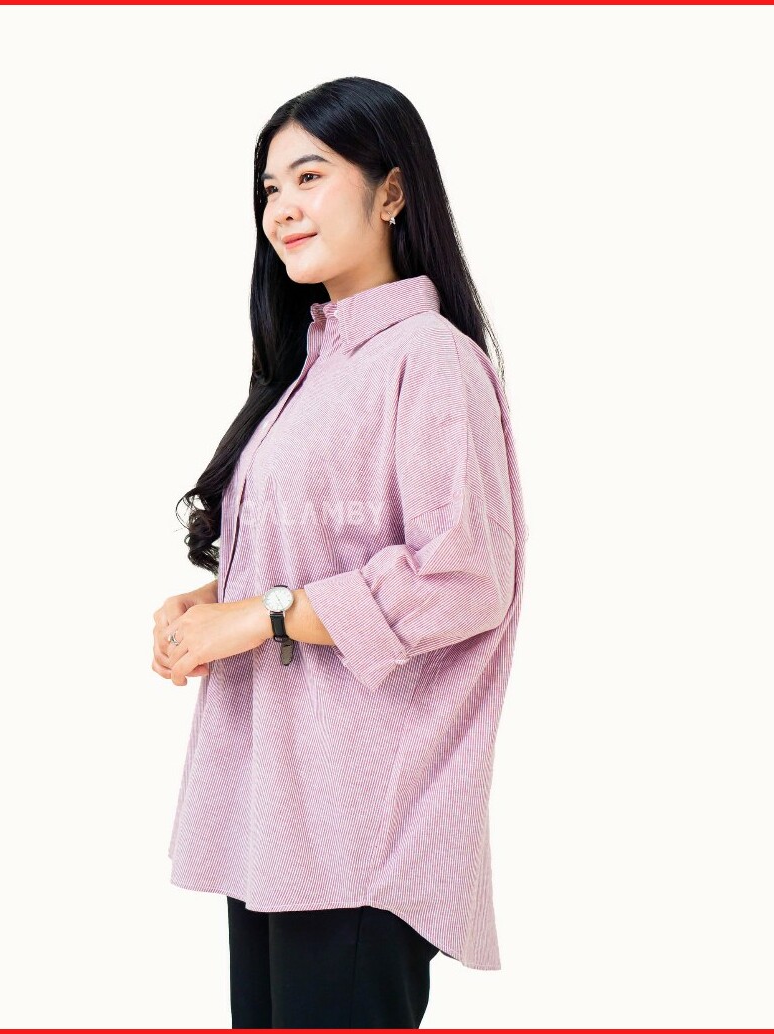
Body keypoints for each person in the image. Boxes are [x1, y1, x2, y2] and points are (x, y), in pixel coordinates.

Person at [153, 76, 528, 1029]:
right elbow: (327, 546)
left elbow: (463, 575)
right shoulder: (311, 370)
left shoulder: (430, 358)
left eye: (310, 177)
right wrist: (218, 600)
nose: (282, 209)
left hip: (361, 826)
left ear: (392, 191)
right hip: (277, 818)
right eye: (269, 189)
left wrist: (265, 614)